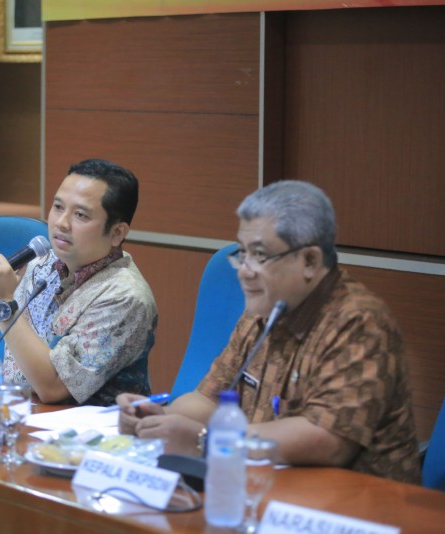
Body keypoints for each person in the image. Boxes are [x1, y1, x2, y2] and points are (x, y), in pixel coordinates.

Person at [117, 180, 421, 483]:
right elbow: (208, 400)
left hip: (355, 500)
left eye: (260, 256)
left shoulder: (359, 323)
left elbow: (327, 441)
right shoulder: (264, 310)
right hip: (268, 484)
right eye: (243, 253)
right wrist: (157, 419)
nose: (244, 271)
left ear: (310, 261)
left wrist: (206, 439)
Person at [0, 159, 158, 406]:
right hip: (22, 414)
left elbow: (52, 387)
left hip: (87, 426)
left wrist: (4, 303)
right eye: (58, 207)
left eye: (80, 215)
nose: (61, 223)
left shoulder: (125, 297)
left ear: (117, 233)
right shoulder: (43, 264)